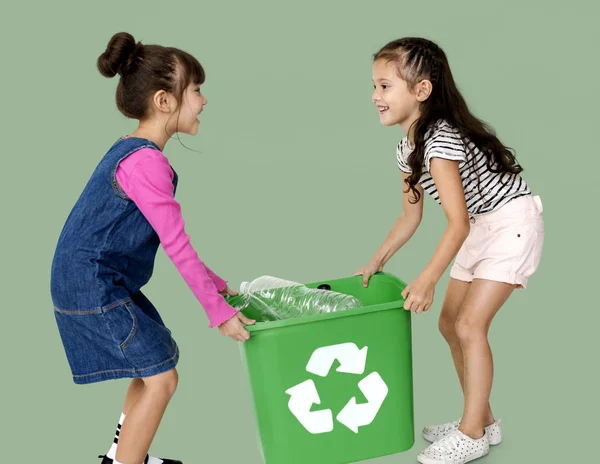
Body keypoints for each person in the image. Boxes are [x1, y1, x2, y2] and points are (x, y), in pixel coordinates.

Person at [50, 32, 254, 464]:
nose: (203, 100)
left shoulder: (133, 151)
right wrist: (218, 313)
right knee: (163, 379)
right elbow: (177, 246)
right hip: (93, 285)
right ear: (164, 100)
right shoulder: (147, 163)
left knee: (150, 368)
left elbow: (172, 242)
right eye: (196, 90)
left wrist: (217, 288)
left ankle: (121, 453)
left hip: (98, 280)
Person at [355, 37, 544, 464]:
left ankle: (471, 433)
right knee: (448, 323)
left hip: (512, 222)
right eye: (374, 86)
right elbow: (410, 216)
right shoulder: (408, 147)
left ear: (421, 90)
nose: (375, 96)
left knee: (469, 326)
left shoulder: (440, 139)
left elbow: (455, 223)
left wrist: (427, 278)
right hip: (480, 226)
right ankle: (481, 420)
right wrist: (377, 260)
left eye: (385, 86)